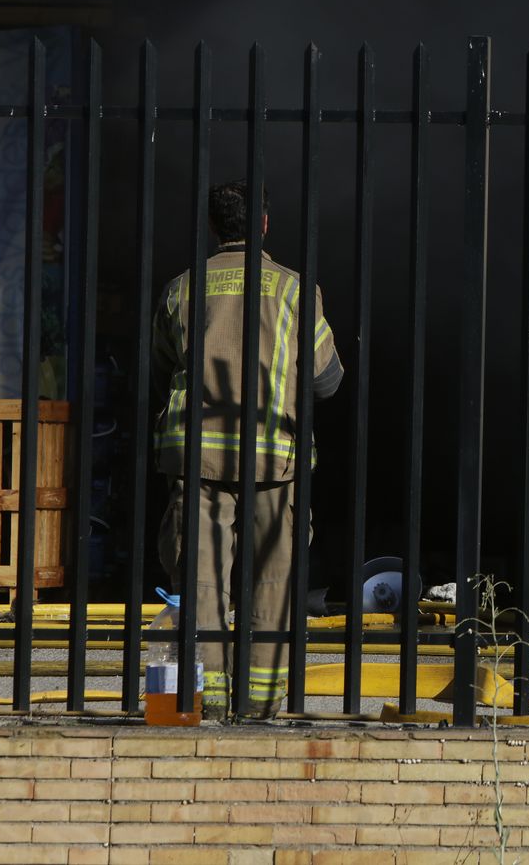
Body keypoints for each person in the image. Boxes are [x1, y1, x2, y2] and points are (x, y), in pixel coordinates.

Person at [153, 180, 344, 719]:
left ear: (213, 227)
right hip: (273, 459)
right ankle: (259, 709)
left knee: (200, 583)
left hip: (198, 460)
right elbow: (327, 380)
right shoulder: (294, 290)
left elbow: (160, 368)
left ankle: (206, 705)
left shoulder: (182, 289)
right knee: (273, 584)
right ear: (263, 224)